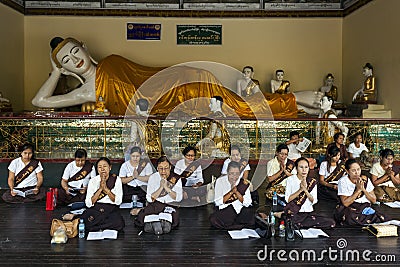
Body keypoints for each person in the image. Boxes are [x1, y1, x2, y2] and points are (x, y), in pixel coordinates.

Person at [31, 37, 299, 118]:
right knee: (239, 107)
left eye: (75, 51)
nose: (74, 59)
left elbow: (143, 78)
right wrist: (56, 72)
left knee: (239, 105)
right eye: (66, 61)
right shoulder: (85, 92)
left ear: (85, 49)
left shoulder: (111, 62)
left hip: (178, 81)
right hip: (168, 102)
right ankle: (296, 101)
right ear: (66, 69)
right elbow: (40, 101)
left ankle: (293, 101)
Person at [135, 156, 183, 235]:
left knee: (173, 218)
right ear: (157, 168)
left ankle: (155, 224)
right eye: (160, 168)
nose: (163, 171)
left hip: (170, 205)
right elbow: (150, 199)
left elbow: (178, 198)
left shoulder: (176, 178)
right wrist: (161, 187)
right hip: (155, 205)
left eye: (166, 168)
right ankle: (157, 224)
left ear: (170, 167)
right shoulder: (153, 177)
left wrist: (166, 187)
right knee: (141, 216)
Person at [284, 157, 336, 229]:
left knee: (331, 223)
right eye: (301, 167)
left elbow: (314, 200)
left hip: (308, 213)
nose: (304, 170)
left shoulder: (312, 181)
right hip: (295, 212)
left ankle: (300, 224)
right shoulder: (290, 180)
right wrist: (300, 190)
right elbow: (288, 199)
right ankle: (300, 223)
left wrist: (305, 190)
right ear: (296, 168)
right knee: (293, 220)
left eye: (306, 167)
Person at [334, 159, 388, 226]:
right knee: (349, 216)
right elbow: (345, 203)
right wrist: (358, 190)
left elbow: (373, 200)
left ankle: (363, 219)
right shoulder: (343, 181)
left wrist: (363, 190)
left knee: (381, 216)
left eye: (358, 169)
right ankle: (366, 220)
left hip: (364, 207)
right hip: (351, 207)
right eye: (353, 170)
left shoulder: (365, 180)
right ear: (347, 171)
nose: (357, 172)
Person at [210, 161, 255, 230]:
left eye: (237, 174)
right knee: (213, 219)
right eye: (231, 174)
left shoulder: (242, 183)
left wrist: (237, 192)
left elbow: (248, 203)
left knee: (250, 216)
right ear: (227, 172)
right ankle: (237, 225)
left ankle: (234, 225)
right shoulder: (220, 181)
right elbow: (217, 202)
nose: (234, 177)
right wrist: (231, 192)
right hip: (225, 210)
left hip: (240, 210)